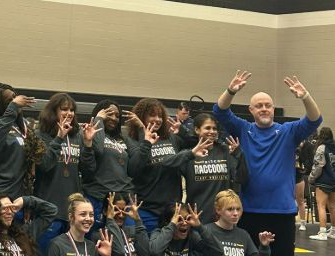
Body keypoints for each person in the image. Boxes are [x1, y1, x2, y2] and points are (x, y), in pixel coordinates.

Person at [213, 71, 321, 256]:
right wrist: (231, 89)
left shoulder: (288, 132)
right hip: (250, 212)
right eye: (259, 105)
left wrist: (304, 96)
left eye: (268, 105)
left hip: (282, 214)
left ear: (273, 109)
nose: (264, 109)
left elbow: (315, 118)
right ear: (251, 110)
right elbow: (220, 111)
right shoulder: (244, 130)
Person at [35, 93, 97, 256]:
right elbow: (43, 166)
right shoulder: (40, 135)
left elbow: (89, 171)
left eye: (72, 110)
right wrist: (59, 137)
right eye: (64, 109)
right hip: (49, 211)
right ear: (53, 111)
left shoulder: (78, 136)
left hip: (71, 214)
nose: (69, 113)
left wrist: (87, 145)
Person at [126, 98, 211, 233]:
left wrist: (182, 130)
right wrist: (145, 140)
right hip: (146, 209)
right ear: (142, 117)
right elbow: (134, 169)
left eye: (160, 116)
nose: (158, 119)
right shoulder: (132, 139)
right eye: (152, 115)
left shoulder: (170, 137)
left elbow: (196, 141)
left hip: (171, 210)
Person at [181, 113, 248, 224]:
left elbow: (241, 178)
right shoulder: (189, 154)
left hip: (223, 217)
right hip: (197, 217)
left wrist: (239, 155)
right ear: (197, 130)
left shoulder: (226, 151)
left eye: (214, 128)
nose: (212, 131)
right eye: (207, 128)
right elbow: (168, 165)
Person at [82, 100, 132, 232]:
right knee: (95, 240)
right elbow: (98, 148)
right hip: (98, 198)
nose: (114, 118)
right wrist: (98, 119)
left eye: (117, 116)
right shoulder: (87, 133)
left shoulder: (122, 139)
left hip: (120, 201)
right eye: (109, 114)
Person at [308, 127, 335, 241]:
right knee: (332, 206)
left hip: (324, 180)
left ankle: (322, 232)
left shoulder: (321, 148)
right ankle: (333, 231)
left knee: (321, 206)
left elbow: (318, 165)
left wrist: (311, 178)